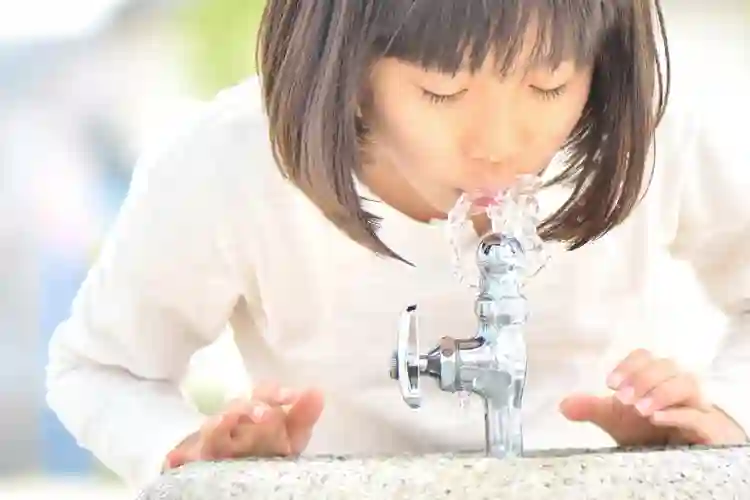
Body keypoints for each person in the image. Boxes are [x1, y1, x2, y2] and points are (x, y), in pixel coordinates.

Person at [46, 0, 750, 491]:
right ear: (347, 67)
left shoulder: (655, 138)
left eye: (548, 84)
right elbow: (101, 370)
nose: (499, 144)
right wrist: (190, 454)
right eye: (441, 93)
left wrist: (721, 413)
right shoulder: (230, 162)